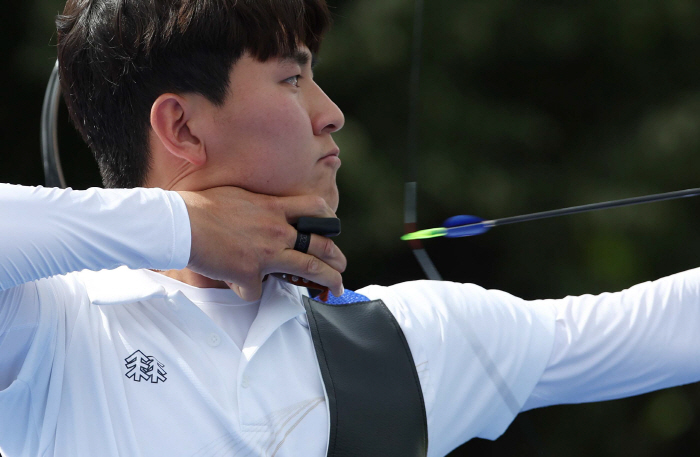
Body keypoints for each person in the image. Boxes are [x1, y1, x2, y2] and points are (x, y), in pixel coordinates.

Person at [2, 0, 700, 456]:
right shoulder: (51, 331)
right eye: (291, 79)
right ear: (181, 127)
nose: (330, 111)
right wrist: (186, 226)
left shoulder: (414, 341)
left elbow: (665, 325)